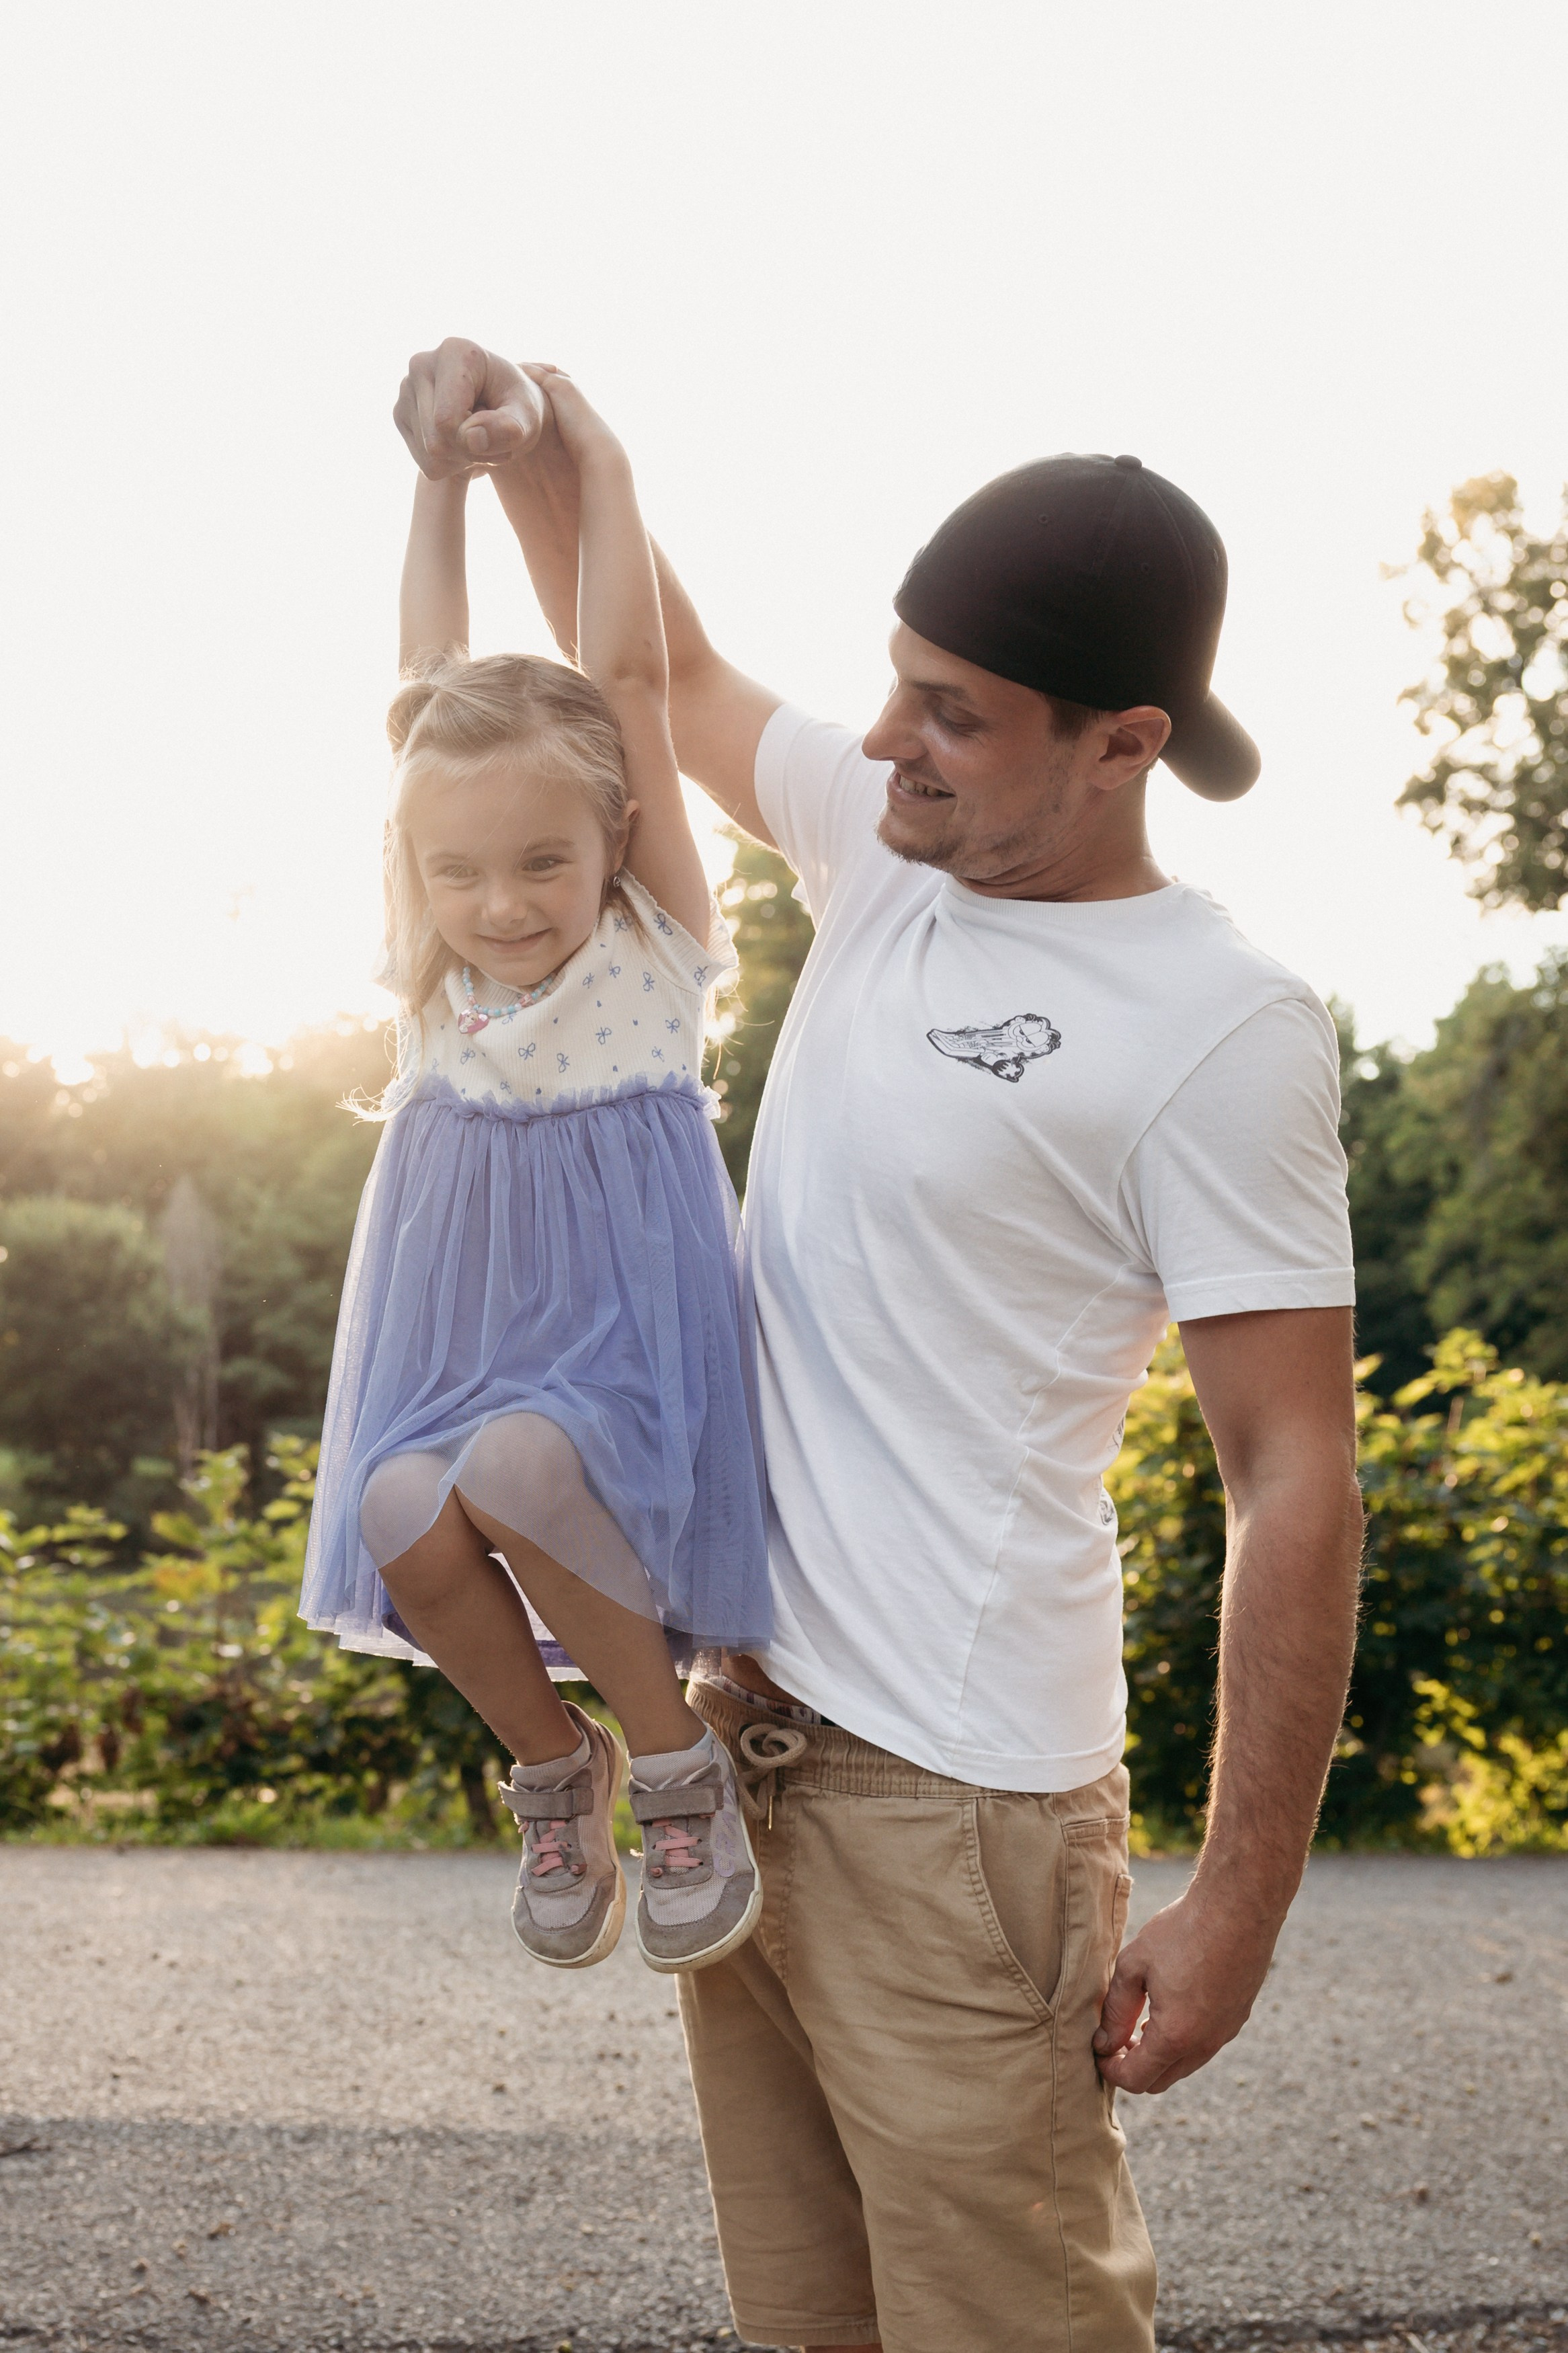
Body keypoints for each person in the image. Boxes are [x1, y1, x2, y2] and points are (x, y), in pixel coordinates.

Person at [395, 341, 1365, 2353]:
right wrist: (546, 460)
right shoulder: (885, 841)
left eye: (950, 710)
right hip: (732, 1739)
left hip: (963, 1799)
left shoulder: (1214, 1022)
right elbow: (648, 682)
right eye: (894, 676)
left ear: (1117, 742)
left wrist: (1236, 1896)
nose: (885, 735)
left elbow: (1291, 1472)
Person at [300, 366, 773, 1978]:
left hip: (616, 1342)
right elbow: (423, 681)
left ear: (617, 835)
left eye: (543, 862)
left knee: (512, 1464)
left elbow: (630, 673)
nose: (501, 902)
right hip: (454, 1326)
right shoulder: (434, 967)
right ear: (414, 865)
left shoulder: (652, 940)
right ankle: (560, 1771)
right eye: (461, 869)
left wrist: (606, 469)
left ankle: (683, 1766)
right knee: (395, 1505)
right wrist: (436, 481)